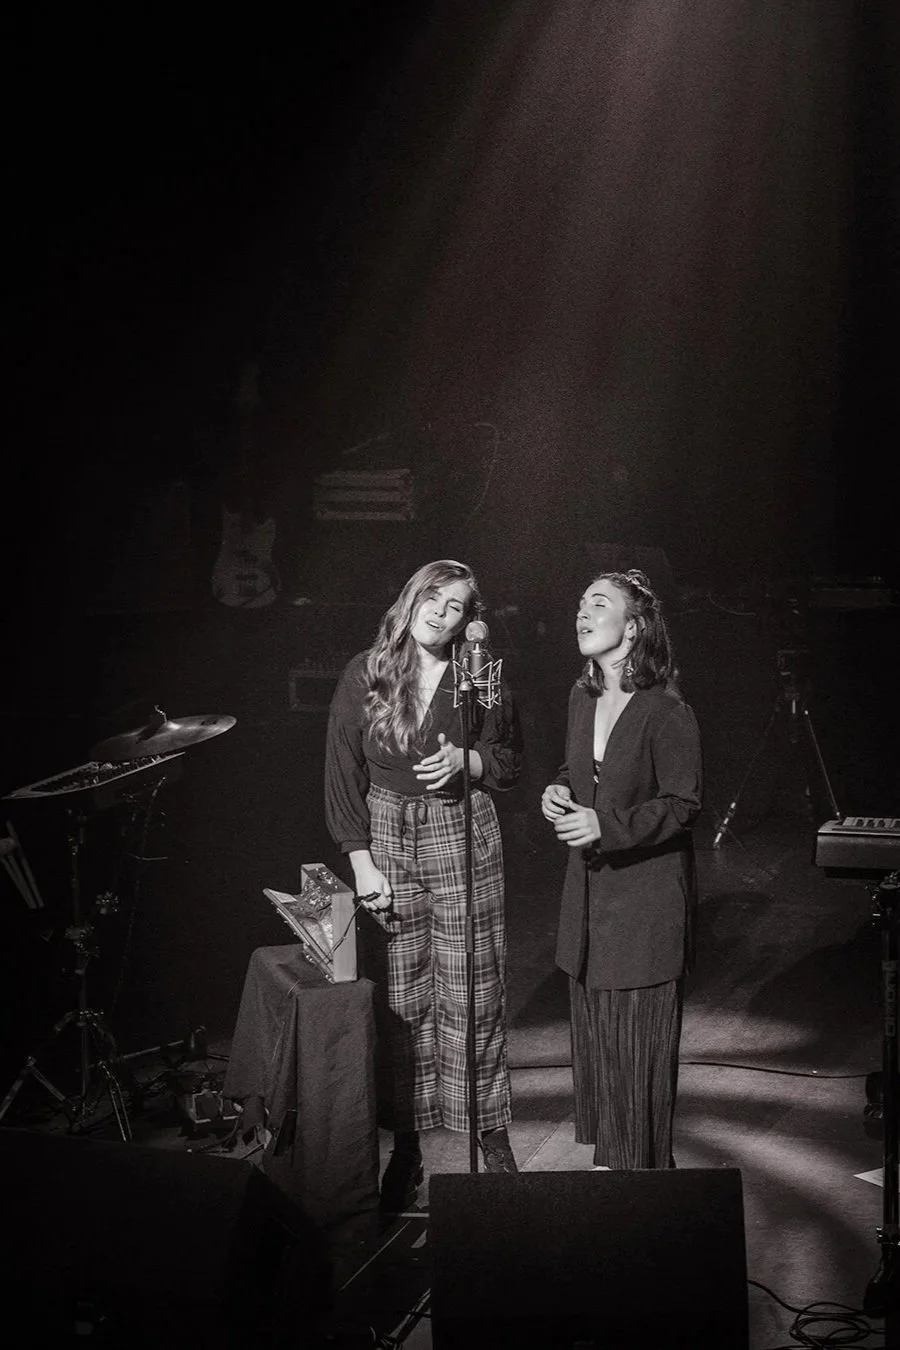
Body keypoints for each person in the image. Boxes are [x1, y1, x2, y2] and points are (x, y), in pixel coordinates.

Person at [325, 558, 523, 1210]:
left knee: (473, 989)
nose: (443, 613)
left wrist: (470, 759)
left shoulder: (479, 673)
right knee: (404, 1001)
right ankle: (406, 1149)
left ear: (471, 619)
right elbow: (341, 771)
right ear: (412, 598)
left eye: (458, 606)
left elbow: (508, 758)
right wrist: (361, 862)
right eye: (435, 598)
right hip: (387, 834)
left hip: (460, 827)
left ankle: (491, 1142)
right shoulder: (367, 672)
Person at [541, 568, 701, 1170]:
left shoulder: (665, 710)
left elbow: (683, 804)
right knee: (604, 1073)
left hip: (644, 913)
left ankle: (644, 1196)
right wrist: (557, 792)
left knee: (637, 1076)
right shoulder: (582, 697)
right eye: (580, 603)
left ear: (632, 629)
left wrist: (605, 827)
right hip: (588, 911)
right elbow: (576, 771)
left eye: (598, 604)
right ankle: (614, 1187)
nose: (582, 613)